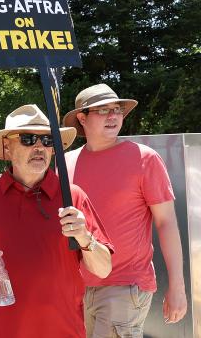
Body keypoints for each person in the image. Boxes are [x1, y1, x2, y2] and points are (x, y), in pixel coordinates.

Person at [0, 104, 113, 338]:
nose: (39, 147)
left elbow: (104, 268)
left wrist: (85, 238)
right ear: (7, 146)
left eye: (47, 141)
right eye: (28, 139)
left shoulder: (72, 196)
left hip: (61, 331)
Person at [63, 84, 187, 337]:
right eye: (103, 110)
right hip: (74, 287)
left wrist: (177, 287)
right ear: (82, 118)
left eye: (117, 110)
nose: (113, 116)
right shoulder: (65, 163)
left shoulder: (144, 158)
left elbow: (166, 223)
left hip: (125, 286)